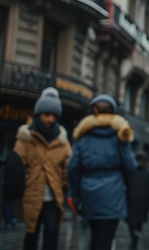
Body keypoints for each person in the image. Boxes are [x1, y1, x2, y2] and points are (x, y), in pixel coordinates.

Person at [67, 94, 137, 250]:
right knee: (105, 239)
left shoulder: (82, 137)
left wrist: (76, 194)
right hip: (113, 194)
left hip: (89, 193)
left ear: (94, 110)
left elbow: (72, 168)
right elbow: (131, 167)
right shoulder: (119, 136)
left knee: (94, 236)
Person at [13, 87, 71, 250]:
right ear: (38, 114)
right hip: (31, 197)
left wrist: (66, 186)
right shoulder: (25, 139)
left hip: (53, 199)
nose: (50, 119)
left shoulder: (63, 142)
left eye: (54, 115)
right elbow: (17, 166)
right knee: (31, 235)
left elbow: (68, 169)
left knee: (52, 237)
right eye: (46, 114)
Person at [125, 151, 149, 250]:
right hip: (143, 202)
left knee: (131, 222)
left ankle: (133, 237)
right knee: (139, 223)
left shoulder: (129, 172)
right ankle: (136, 237)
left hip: (130, 201)